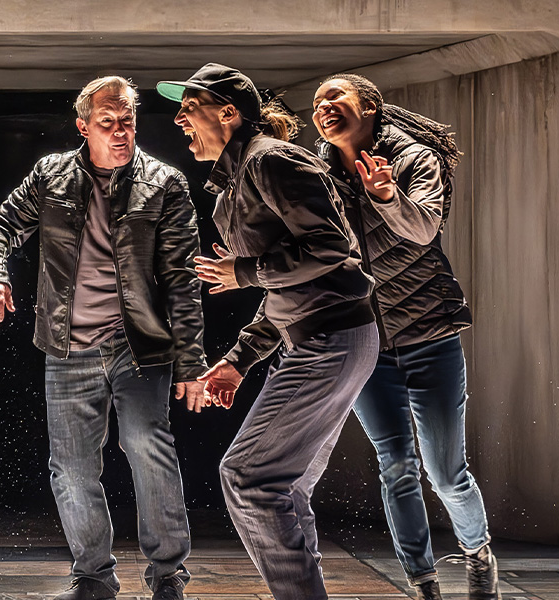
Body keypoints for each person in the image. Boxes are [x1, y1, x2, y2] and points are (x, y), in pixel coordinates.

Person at [0, 76, 206, 600]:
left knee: (148, 445)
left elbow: (182, 279)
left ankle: (168, 574)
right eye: (108, 123)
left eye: (127, 120)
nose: (121, 131)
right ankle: (94, 576)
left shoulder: (165, 183)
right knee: (72, 468)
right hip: (68, 345)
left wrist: (191, 362)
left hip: (139, 345)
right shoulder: (50, 174)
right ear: (84, 126)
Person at [157, 63, 378, 600]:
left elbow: (332, 249)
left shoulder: (270, 160)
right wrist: (240, 358)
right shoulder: (234, 184)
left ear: (229, 113)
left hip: (331, 339)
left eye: (191, 106)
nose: (180, 118)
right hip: (323, 339)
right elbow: (288, 288)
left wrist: (244, 272)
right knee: (285, 486)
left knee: (248, 478)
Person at [309, 73, 499, 600]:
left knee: (447, 473)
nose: (323, 107)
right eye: (317, 102)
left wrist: (387, 195)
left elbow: (423, 230)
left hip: (429, 335)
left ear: (369, 106)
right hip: (366, 345)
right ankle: (423, 582)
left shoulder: (414, 158)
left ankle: (477, 553)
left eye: (335, 97)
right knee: (396, 466)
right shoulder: (317, 176)